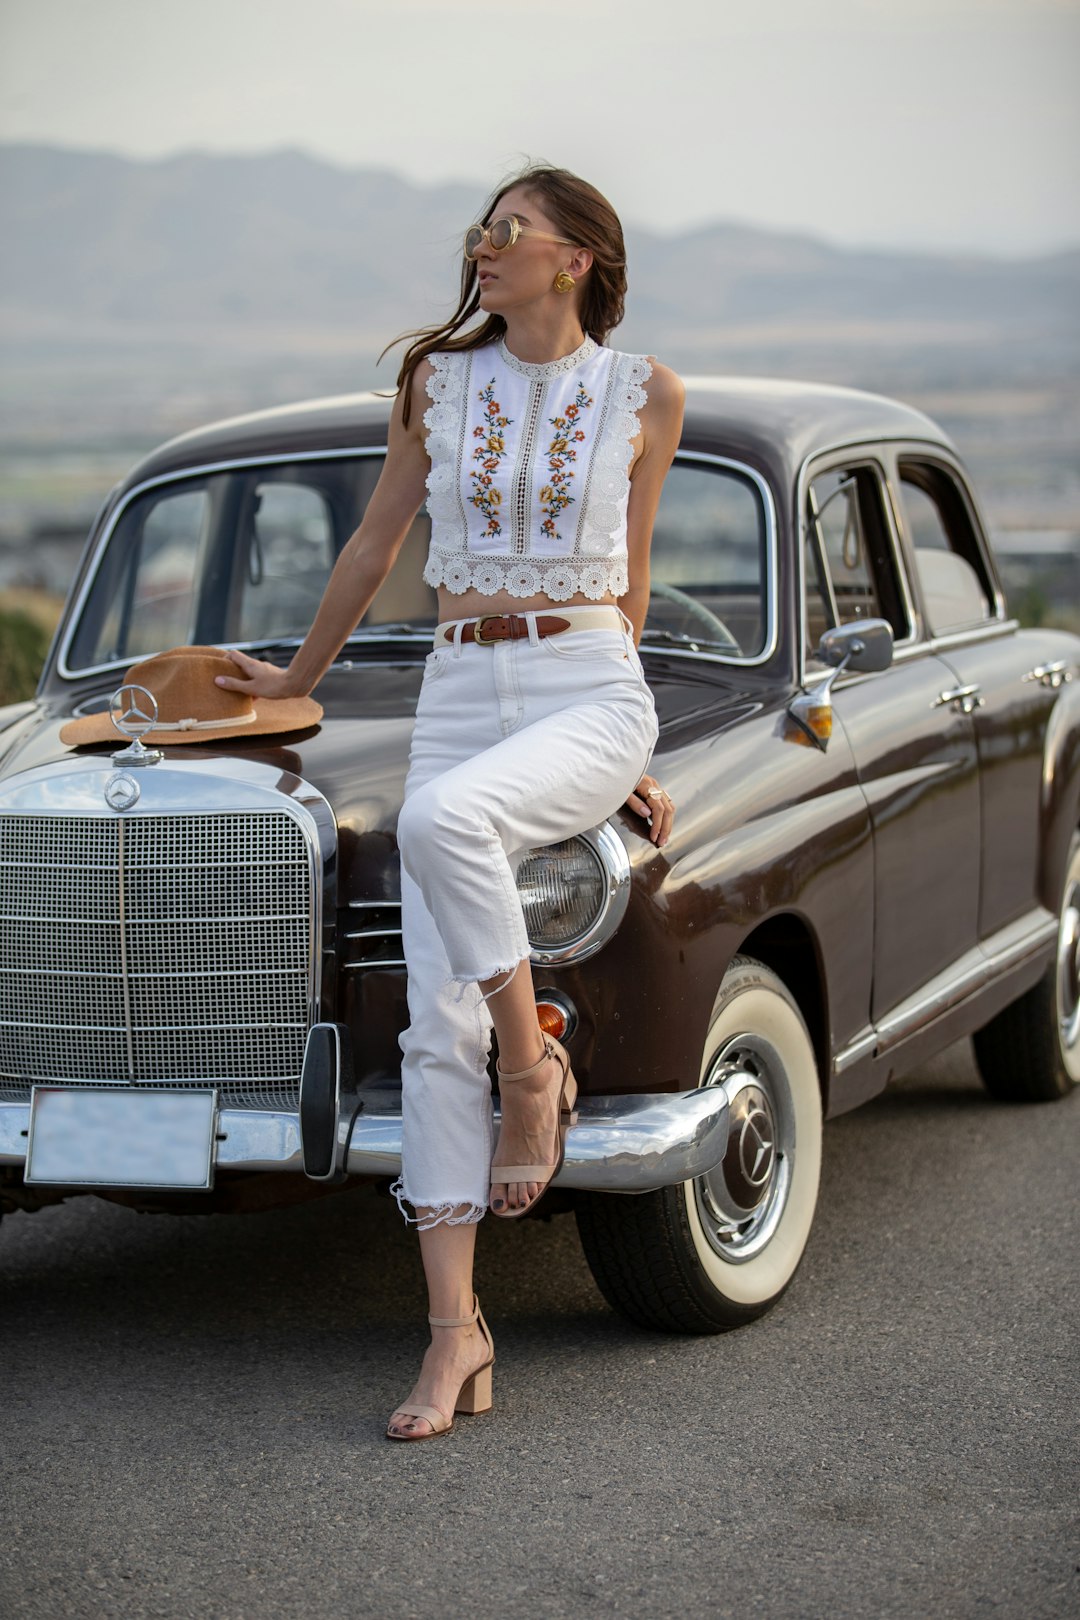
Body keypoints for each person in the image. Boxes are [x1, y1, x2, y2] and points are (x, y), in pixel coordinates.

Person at [216, 164, 684, 1441]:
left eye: (509, 231)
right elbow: (375, 544)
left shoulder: (647, 395)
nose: (484, 247)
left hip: (589, 682)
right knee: (434, 1030)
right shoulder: (440, 382)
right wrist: (295, 679)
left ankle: (532, 1077)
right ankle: (454, 1339)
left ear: (575, 258)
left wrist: (627, 743)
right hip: (462, 687)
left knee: (435, 827)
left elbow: (632, 582)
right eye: (483, 230)